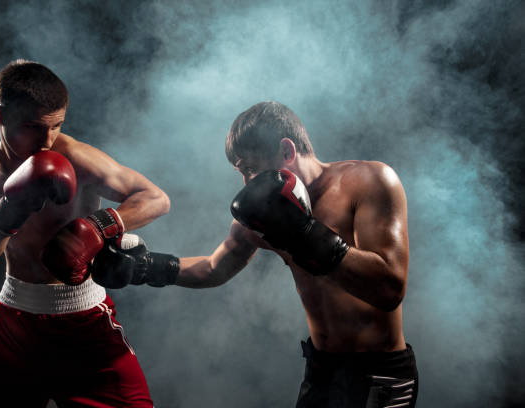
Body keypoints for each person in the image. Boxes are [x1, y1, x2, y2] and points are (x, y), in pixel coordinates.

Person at [90, 101, 418, 407]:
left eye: (251, 168)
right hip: (322, 369)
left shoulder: (368, 181)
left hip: (379, 372)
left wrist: (304, 234)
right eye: (241, 173)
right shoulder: (262, 213)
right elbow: (213, 267)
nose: (247, 182)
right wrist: (145, 269)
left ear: (287, 150)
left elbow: (389, 289)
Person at [0, 59, 169, 408]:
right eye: (33, 126)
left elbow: (156, 198)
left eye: (56, 125)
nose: (47, 141)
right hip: (12, 322)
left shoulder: (77, 157)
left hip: (84, 322)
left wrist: (99, 226)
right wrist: (9, 212)